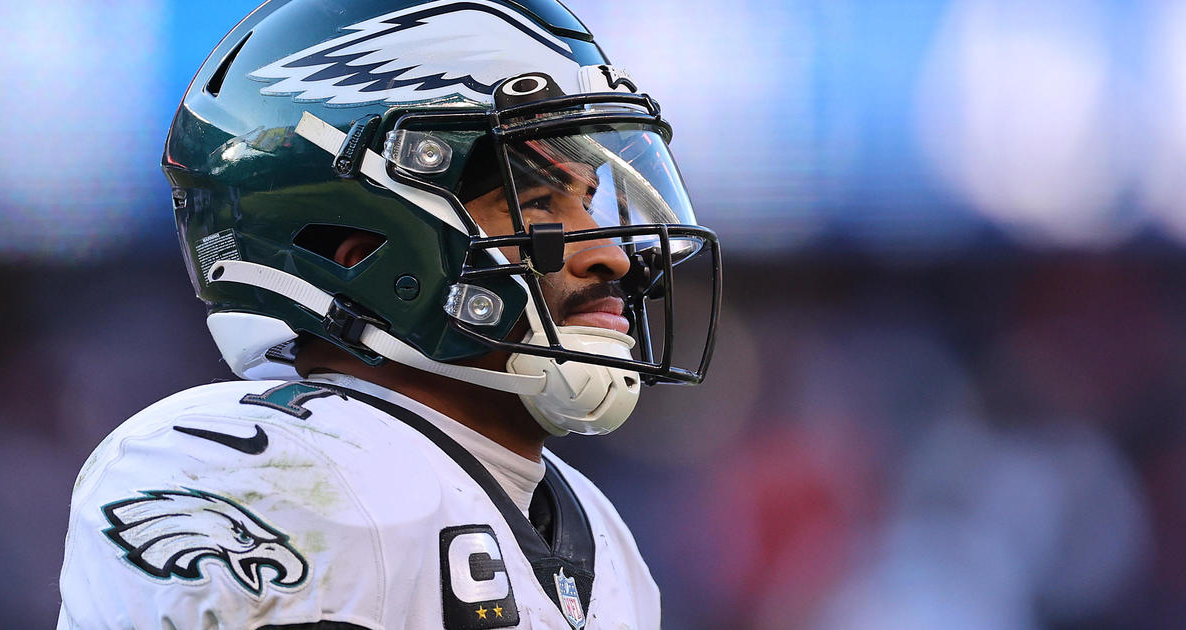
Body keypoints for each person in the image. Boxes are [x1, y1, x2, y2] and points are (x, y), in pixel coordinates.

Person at [57, 0, 721, 628]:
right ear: (365, 250)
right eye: (541, 203)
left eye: (589, 200)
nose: (611, 255)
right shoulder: (260, 470)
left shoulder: (597, 527)